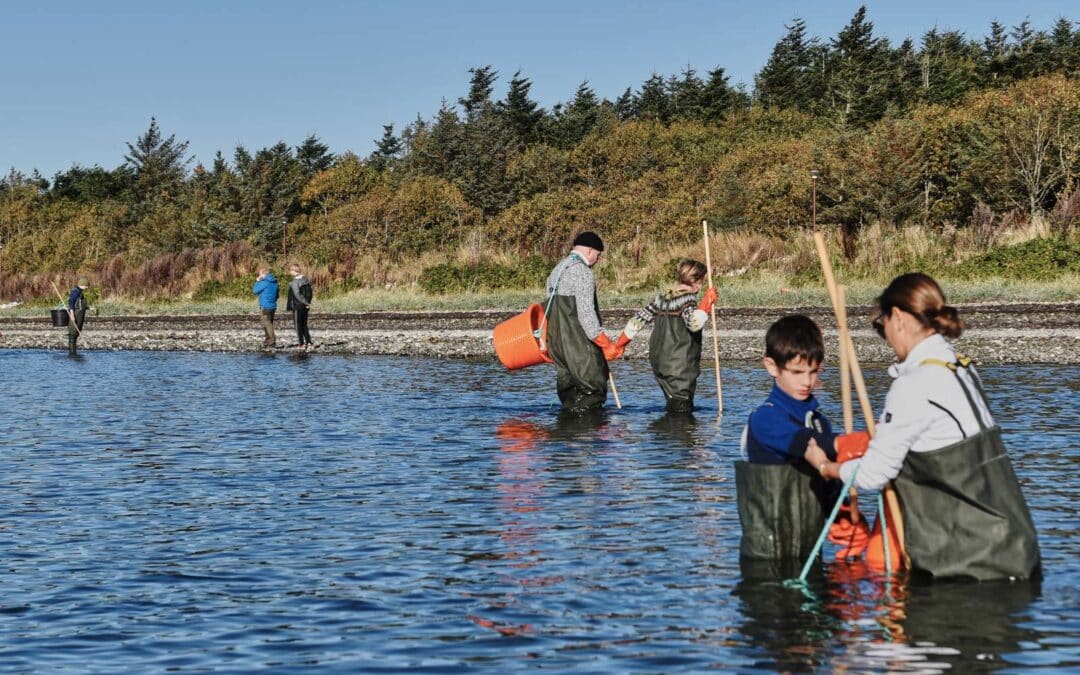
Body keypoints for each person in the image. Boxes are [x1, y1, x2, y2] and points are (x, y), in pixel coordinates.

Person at [806, 272, 1040, 580]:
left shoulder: (915, 384)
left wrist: (825, 467)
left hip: (973, 565)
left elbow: (875, 474)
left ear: (899, 318)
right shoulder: (960, 368)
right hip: (1016, 550)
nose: (885, 336)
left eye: (883, 325)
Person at [733, 315, 853, 565]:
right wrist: (854, 443)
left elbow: (831, 487)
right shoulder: (765, 417)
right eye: (797, 372)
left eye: (813, 371)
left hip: (810, 551)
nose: (807, 382)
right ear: (772, 366)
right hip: (766, 558)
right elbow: (805, 441)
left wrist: (846, 517)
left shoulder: (820, 422)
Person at [614, 259, 717, 413]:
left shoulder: (662, 298)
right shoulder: (687, 299)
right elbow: (693, 324)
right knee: (681, 411)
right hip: (679, 364)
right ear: (697, 282)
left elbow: (636, 322)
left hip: (659, 362)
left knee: (673, 403)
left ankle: (664, 435)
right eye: (702, 282)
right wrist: (706, 303)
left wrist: (618, 345)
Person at [543, 231, 621, 412]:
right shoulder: (582, 272)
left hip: (557, 345)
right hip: (579, 347)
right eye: (597, 255)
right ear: (589, 250)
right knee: (592, 393)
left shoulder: (556, 270)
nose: (597, 259)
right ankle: (587, 438)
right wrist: (606, 344)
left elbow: (548, 311)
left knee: (570, 397)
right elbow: (587, 315)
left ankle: (567, 436)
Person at [287, 264, 314, 349]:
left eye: (290, 270)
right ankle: (309, 342)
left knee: (298, 325)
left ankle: (301, 344)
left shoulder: (295, 282)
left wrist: (305, 303)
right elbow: (310, 293)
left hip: (298, 306)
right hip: (305, 306)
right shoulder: (306, 280)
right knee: (304, 325)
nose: (289, 272)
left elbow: (297, 295)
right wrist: (308, 303)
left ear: (293, 271)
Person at [252, 267, 279, 350]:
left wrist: (257, 281)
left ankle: (272, 341)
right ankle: (267, 341)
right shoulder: (275, 282)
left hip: (265, 306)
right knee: (267, 323)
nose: (259, 275)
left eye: (260, 274)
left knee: (267, 324)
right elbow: (277, 295)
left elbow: (255, 290)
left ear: (264, 274)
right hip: (273, 306)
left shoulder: (265, 282)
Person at [67, 277, 92, 356]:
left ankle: (74, 353)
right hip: (75, 314)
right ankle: (72, 354)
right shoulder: (76, 292)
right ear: (83, 285)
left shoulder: (80, 292)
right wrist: (72, 315)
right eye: (86, 286)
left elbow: (80, 304)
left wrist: (89, 308)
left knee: (76, 333)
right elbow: (71, 302)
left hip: (80, 315)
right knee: (72, 334)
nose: (87, 287)